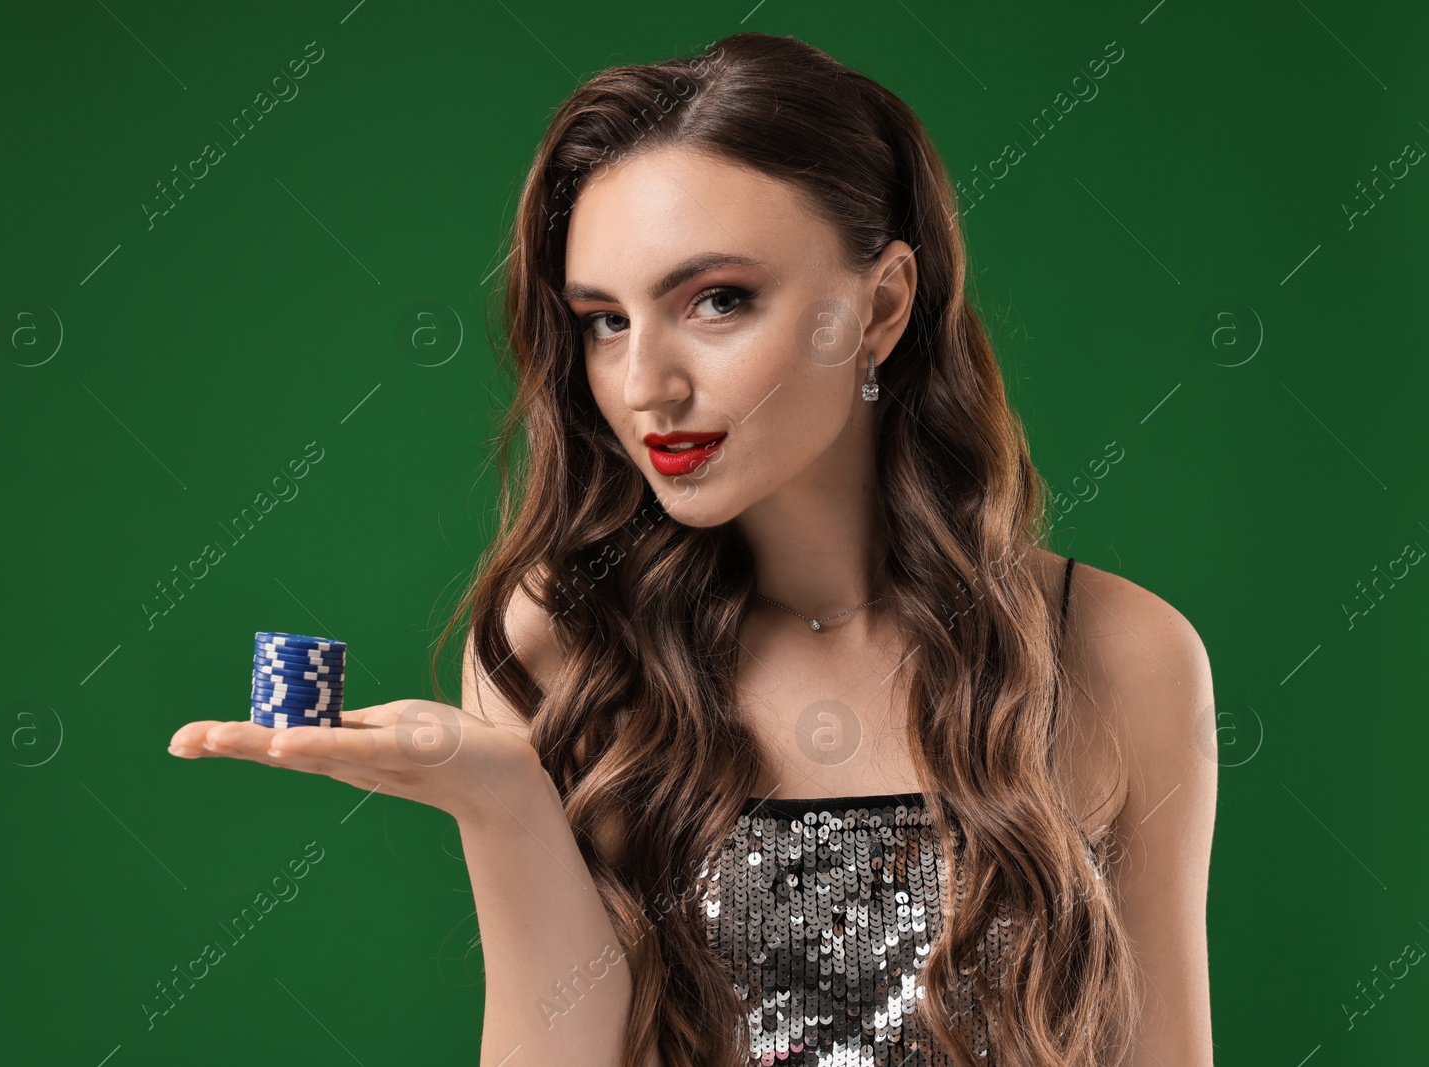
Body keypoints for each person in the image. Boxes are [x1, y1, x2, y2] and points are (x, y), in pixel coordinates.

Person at [168, 31, 1216, 1067]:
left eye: (716, 300)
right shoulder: (562, 643)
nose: (643, 385)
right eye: (603, 321)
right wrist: (502, 801)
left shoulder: (1118, 651)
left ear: (883, 304)